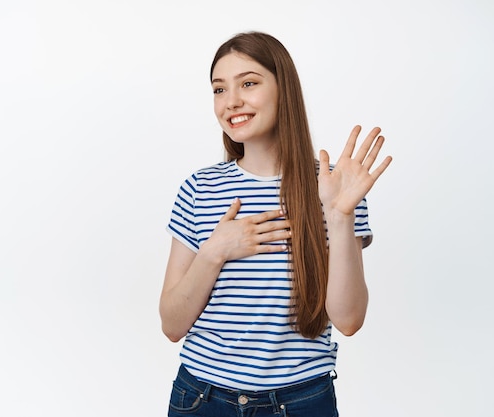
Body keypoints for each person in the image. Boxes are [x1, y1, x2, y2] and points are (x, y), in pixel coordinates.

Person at [159, 31, 392, 416]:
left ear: (285, 89)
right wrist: (214, 251)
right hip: (202, 399)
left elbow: (348, 320)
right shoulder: (200, 188)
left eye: (248, 83)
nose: (231, 101)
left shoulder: (335, 187)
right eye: (219, 90)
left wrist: (339, 216)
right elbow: (171, 324)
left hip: (301, 402)